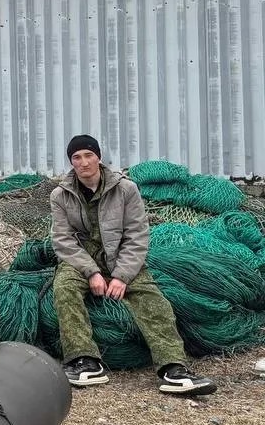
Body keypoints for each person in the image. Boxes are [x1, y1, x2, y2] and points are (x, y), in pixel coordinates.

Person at [50, 134, 215, 395]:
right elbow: (62, 240)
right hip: (81, 259)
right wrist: (91, 272)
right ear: (71, 162)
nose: (83, 162)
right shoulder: (61, 195)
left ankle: (174, 369)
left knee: (154, 300)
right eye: (76, 157)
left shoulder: (126, 189)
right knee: (64, 289)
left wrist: (122, 276)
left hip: (121, 255)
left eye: (89, 155)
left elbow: (137, 235)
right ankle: (85, 362)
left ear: (99, 157)